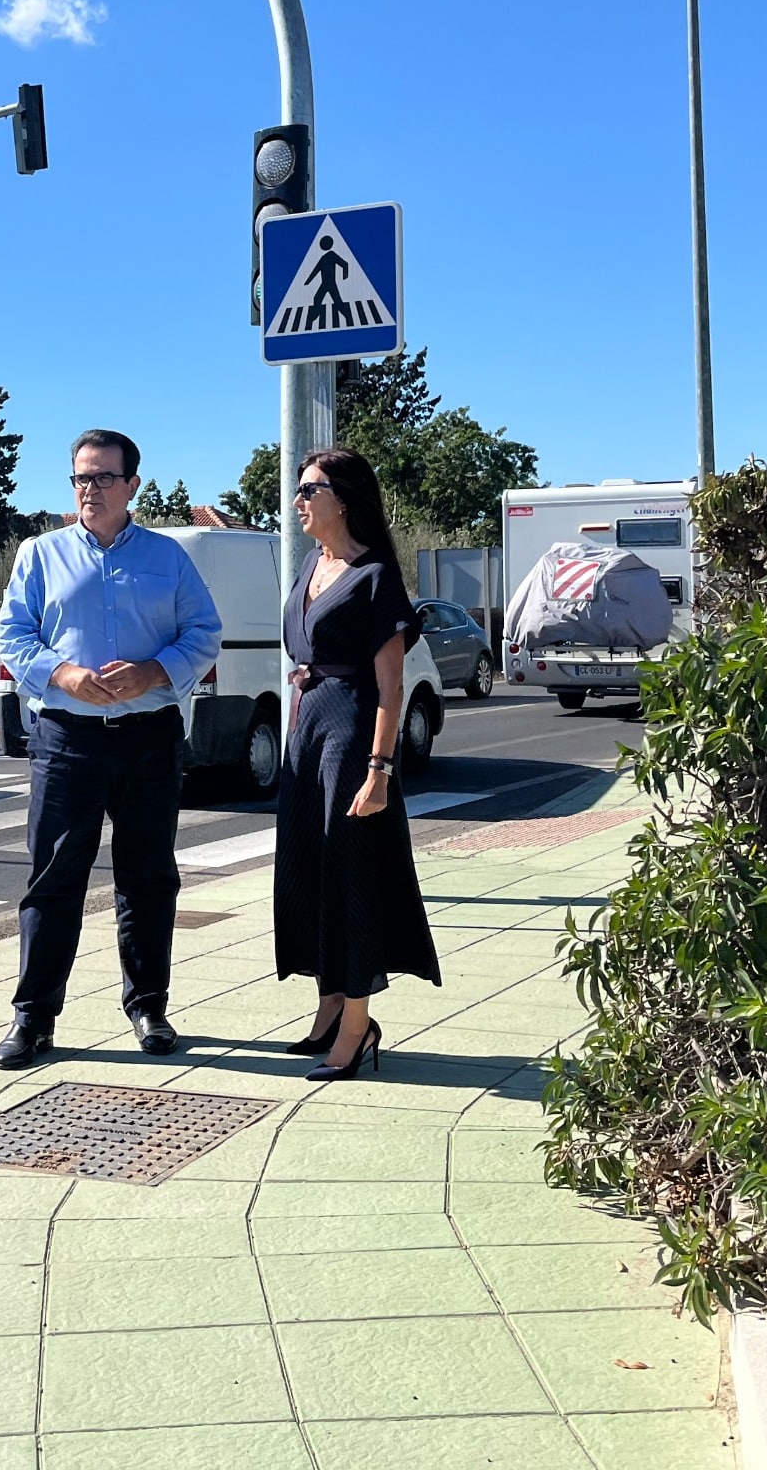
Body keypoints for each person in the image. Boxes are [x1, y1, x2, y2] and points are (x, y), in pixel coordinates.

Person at [0, 430, 223, 1070]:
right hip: (67, 738)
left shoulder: (168, 558)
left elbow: (205, 631)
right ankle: (33, 1017)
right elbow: (13, 635)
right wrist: (61, 674)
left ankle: (149, 1007)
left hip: (149, 736)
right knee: (53, 878)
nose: (89, 490)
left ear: (132, 486)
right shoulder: (39, 555)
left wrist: (155, 671)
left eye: (102, 478)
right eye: (80, 478)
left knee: (148, 878)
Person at [274, 447, 441, 1080]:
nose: (298, 500)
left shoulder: (374, 575)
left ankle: (356, 1027)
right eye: (299, 489)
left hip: (351, 738)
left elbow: (391, 687)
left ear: (342, 499)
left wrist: (379, 770)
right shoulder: (309, 566)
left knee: (351, 878)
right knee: (308, 871)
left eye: (309, 489)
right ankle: (328, 1007)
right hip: (306, 735)